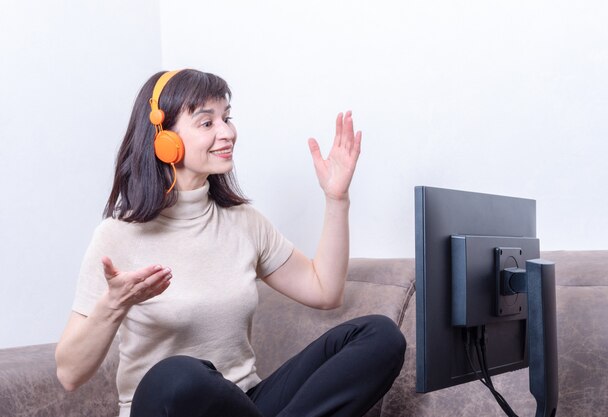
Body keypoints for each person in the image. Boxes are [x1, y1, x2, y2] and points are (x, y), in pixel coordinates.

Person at [55, 69, 406, 417]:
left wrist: (336, 198)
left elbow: (325, 291)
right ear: (164, 138)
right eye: (207, 123)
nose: (227, 133)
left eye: (227, 118)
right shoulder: (118, 234)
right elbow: (69, 375)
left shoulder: (245, 222)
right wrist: (114, 304)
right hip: (164, 406)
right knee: (177, 374)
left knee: (380, 336)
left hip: (244, 404)